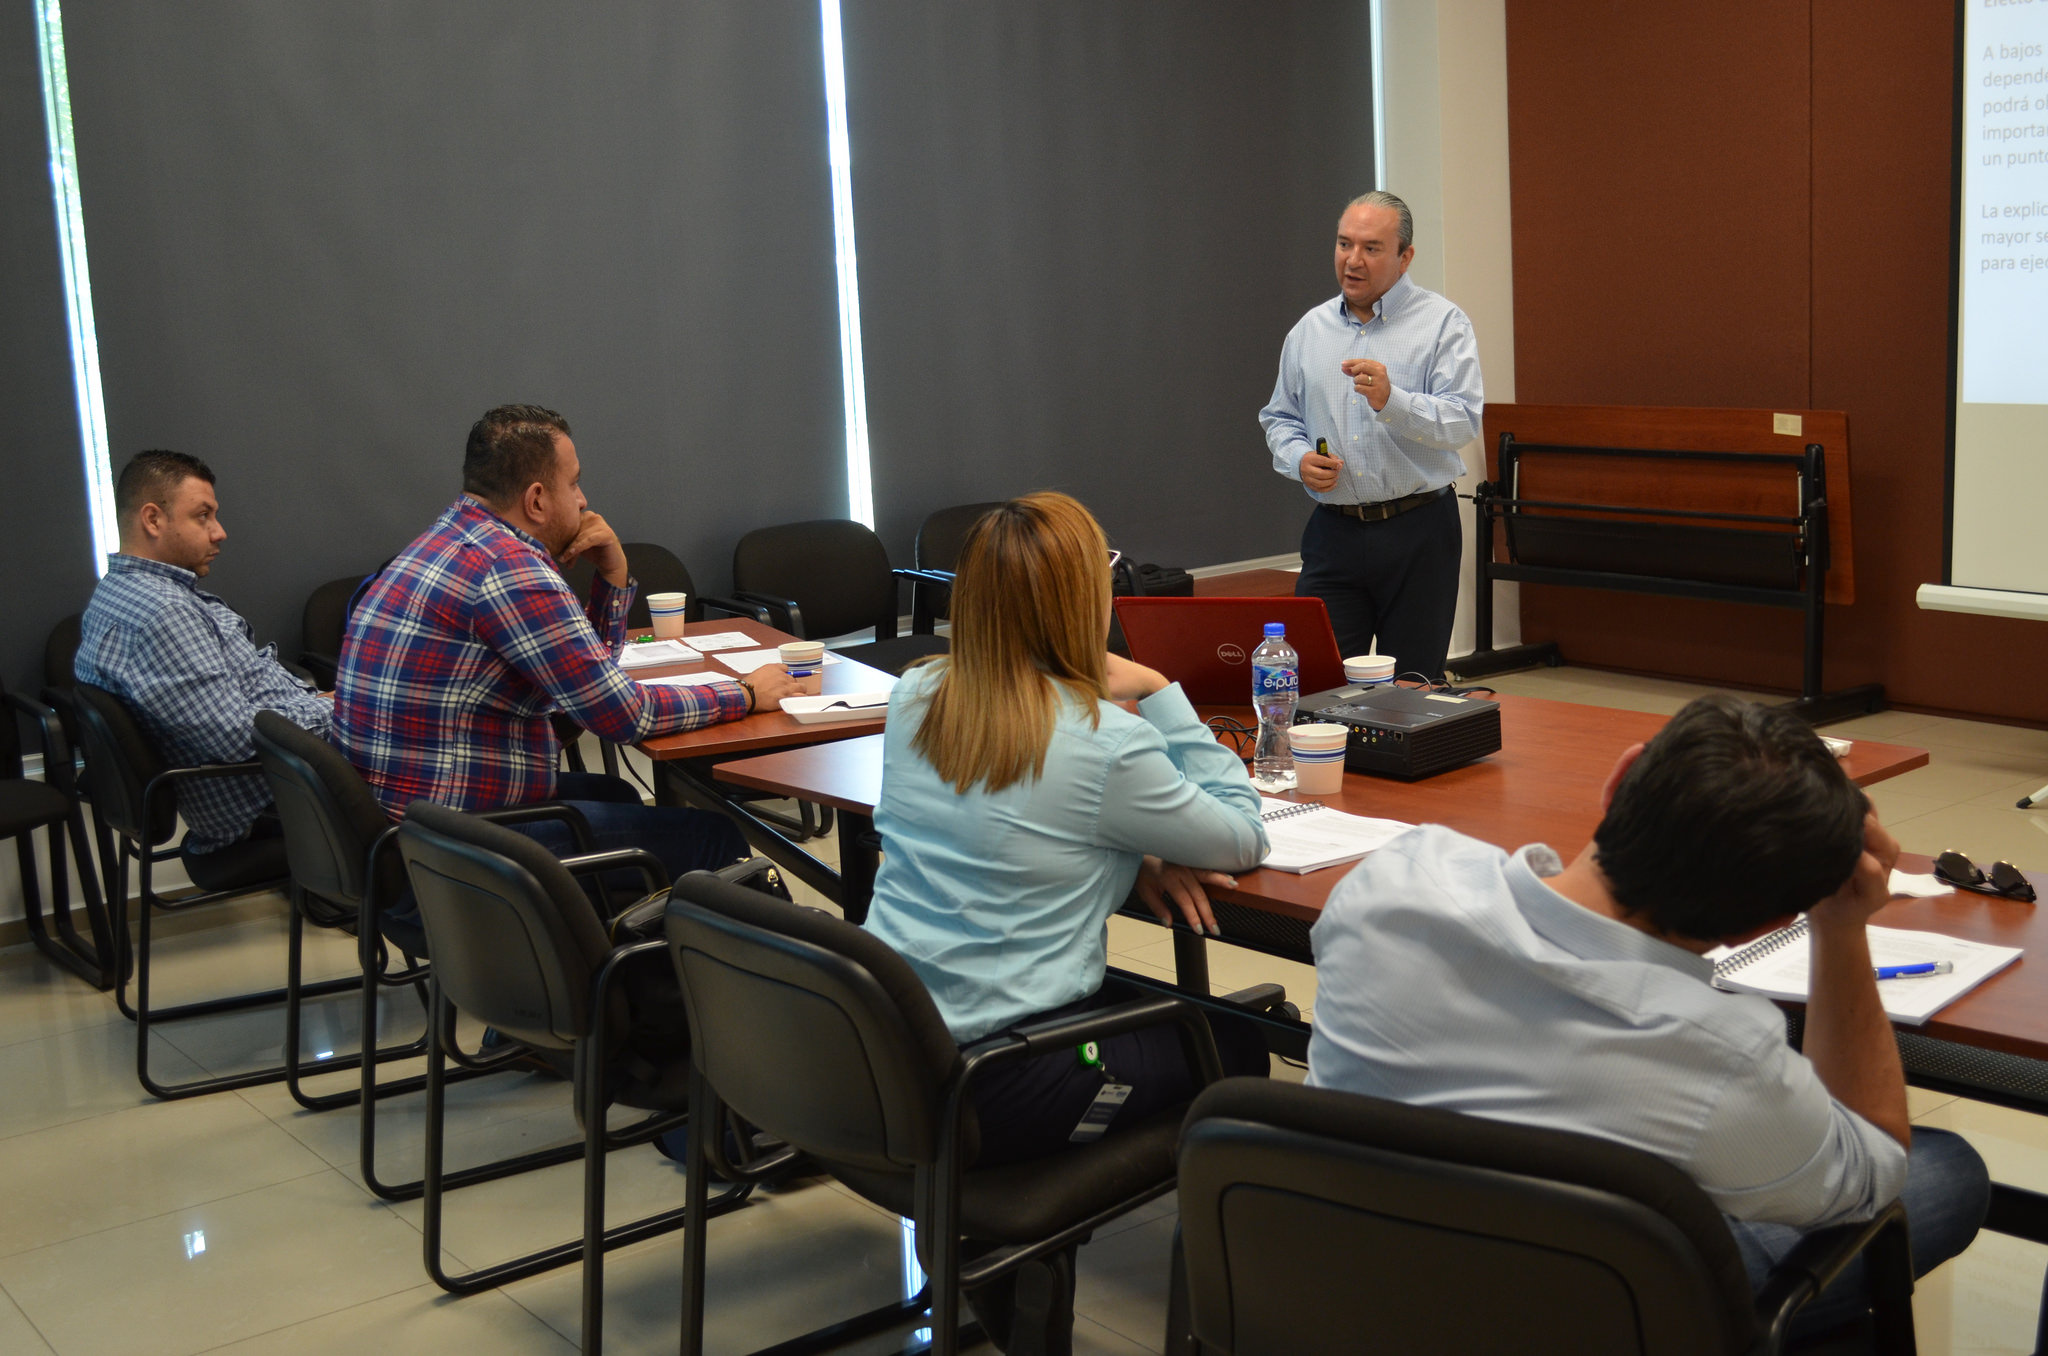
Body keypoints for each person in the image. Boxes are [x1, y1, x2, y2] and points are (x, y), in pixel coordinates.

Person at [1307, 694, 1989, 1341]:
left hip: (1333, 1283)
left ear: (1621, 778)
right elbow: (1871, 1171)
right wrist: (1842, 927)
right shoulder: (1719, 1057)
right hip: (1557, 1322)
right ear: (1778, 920)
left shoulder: (1394, 881)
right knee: (1947, 1171)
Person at [862, 491, 1271, 1354]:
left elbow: (1020, 825)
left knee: (1159, 1015)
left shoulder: (918, 693)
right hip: (993, 1088)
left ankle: (1000, 1275)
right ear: (1087, 603)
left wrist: (1132, 851)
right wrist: (1159, 688)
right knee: (1233, 1046)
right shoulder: (1104, 741)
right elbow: (1240, 831)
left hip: (884, 1052)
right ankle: (1100, 1298)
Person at [333, 404, 796, 883]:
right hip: (455, 855)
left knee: (615, 796)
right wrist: (745, 694)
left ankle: (619, 939)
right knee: (712, 836)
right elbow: (626, 715)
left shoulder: (447, 540)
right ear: (537, 500)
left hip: (402, 830)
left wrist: (613, 577)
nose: (582, 500)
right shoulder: (510, 570)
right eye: (573, 483)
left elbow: (587, 684)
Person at [1258, 190, 1483, 683]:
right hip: (1333, 532)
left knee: (1412, 690)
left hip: (1419, 530)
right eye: (1344, 244)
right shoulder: (1308, 332)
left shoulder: (1443, 325)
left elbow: (1463, 421)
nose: (1352, 261)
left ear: (1405, 257)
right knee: (1316, 682)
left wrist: (1392, 401)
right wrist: (1298, 459)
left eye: (1371, 248)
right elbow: (1279, 417)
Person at [74, 450, 331, 859]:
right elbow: (235, 737)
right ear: (153, 519)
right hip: (269, 801)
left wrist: (316, 703)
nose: (219, 532)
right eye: (203, 516)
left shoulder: (120, 592)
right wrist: (338, 710)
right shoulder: (164, 612)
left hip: (279, 771)